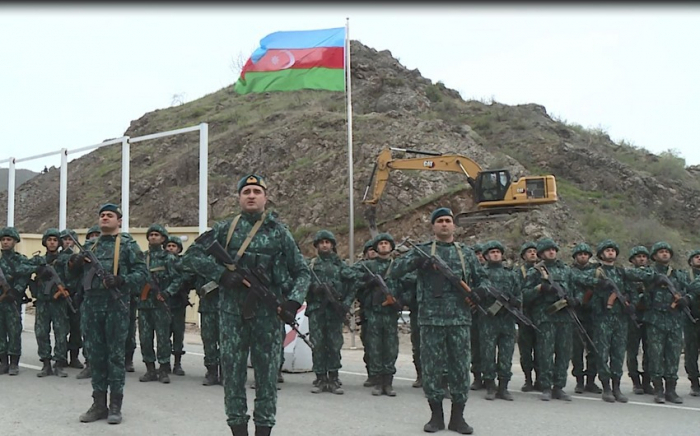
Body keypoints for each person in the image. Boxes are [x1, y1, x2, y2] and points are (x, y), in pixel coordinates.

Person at [185, 174, 310, 436]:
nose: (251, 195)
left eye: (256, 191)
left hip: (267, 316)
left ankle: (264, 430)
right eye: (246, 191)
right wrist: (221, 274)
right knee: (232, 376)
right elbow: (193, 255)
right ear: (239, 197)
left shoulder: (280, 232)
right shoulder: (225, 229)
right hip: (232, 316)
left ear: (266, 197)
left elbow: (302, 271)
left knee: (266, 378)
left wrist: (293, 301)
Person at [391, 207, 490, 434]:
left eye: (448, 221)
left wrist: (480, 292)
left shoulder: (465, 253)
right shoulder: (422, 252)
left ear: (454, 226)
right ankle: (436, 417)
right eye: (440, 221)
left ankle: (458, 418)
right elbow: (394, 270)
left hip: (459, 320)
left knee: (459, 368)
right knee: (432, 369)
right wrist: (418, 263)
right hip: (430, 320)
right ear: (433, 226)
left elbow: (484, 279)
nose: (444, 224)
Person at [68, 203, 147, 425]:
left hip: (116, 305)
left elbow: (142, 273)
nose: (105, 218)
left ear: (119, 221)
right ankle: (98, 404)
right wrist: (73, 263)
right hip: (92, 306)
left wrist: (122, 280)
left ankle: (115, 405)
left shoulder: (128, 245)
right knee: (96, 356)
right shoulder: (90, 246)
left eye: (109, 215)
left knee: (115, 356)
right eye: (102, 215)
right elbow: (74, 275)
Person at [306, 230, 356, 394]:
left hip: (334, 311)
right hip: (317, 310)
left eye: (327, 242)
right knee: (318, 344)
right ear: (317, 246)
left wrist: (346, 303)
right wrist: (313, 289)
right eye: (321, 242)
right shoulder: (311, 266)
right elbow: (301, 283)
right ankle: (320, 378)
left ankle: (333, 378)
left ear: (332, 245)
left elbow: (353, 284)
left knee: (334, 344)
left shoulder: (340, 265)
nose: (324, 245)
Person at [354, 232, 403, 397]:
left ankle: (388, 382)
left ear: (391, 247)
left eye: (386, 243)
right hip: (373, 312)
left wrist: (400, 301)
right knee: (374, 347)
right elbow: (350, 276)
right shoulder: (368, 266)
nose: (383, 246)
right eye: (380, 243)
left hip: (390, 313)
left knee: (390, 348)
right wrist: (368, 281)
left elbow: (408, 283)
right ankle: (376, 380)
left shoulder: (397, 266)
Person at [646, 242, 690, 404]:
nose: (664, 254)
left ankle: (671, 390)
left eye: (667, 252)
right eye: (661, 252)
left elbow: (690, 289)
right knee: (656, 355)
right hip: (655, 319)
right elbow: (635, 278)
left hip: (674, 320)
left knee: (673, 355)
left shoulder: (679, 275)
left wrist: (687, 299)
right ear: (655, 256)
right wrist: (653, 281)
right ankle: (658, 389)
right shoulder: (649, 272)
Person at [477, 240, 520, 401]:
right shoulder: (481, 273)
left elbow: (518, 294)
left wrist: (515, 302)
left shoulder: (510, 274)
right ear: (487, 256)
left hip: (507, 320)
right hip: (488, 319)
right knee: (487, 354)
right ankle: (490, 386)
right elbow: (474, 294)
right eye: (492, 252)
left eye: (498, 252)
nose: (495, 254)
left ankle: (503, 387)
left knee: (506, 355)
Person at [138, 224, 181, 384]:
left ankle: (163, 369)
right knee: (145, 338)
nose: (153, 237)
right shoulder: (142, 258)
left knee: (163, 338)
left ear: (163, 238)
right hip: (144, 305)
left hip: (161, 304)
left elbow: (178, 279)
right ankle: (150, 369)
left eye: (157, 235)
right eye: (151, 235)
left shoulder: (168, 258)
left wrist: (167, 292)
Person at [31, 228, 71, 378]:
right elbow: (24, 268)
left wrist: (64, 290)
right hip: (42, 301)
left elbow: (72, 276)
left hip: (58, 301)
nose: (52, 243)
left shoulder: (64, 260)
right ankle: (46, 363)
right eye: (49, 240)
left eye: (55, 240)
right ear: (45, 242)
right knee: (41, 332)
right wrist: (39, 270)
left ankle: (59, 363)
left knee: (61, 332)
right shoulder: (39, 260)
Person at [0, 226, 36, 375]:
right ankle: (3, 362)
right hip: (1, 300)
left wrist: (16, 290)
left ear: (15, 241)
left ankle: (14, 362)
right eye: (3, 240)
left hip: (13, 300)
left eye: (8, 239)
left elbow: (26, 275)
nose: (5, 242)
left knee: (14, 331)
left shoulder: (21, 260)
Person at [569, 243, 602, 394]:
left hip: (593, 314)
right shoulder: (569, 272)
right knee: (576, 350)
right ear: (575, 257)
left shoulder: (597, 271)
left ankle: (591, 380)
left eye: (585, 254)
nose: (583, 256)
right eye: (580, 254)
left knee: (594, 349)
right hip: (576, 314)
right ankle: (579, 381)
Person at [75, 225, 102, 380]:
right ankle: (89, 364)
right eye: (91, 235)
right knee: (88, 333)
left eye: (96, 234)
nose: (93, 238)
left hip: (106, 299)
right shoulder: (85, 252)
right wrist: (79, 260)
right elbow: (74, 272)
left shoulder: (111, 252)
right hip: (88, 298)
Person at [515, 241, 541, 392]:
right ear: (524, 255)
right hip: (524, 315)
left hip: (540, 315)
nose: (532, 253)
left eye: (534, 251)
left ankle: (540, 379)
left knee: (541, 349)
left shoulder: (543, 271)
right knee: (525, 350)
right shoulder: (519, 273)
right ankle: (528, 379)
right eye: (529, 251)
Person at [165, 235, 190, 377]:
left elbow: (188, 278)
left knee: (178, 334)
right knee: (164, 334)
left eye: (173, 246)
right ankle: (165, 363)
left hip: (178, 303)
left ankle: (177, 363)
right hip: (164, 303)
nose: (170, 248)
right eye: (168, 246)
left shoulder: (183, 263)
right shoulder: (162, 261)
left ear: (179, 249)